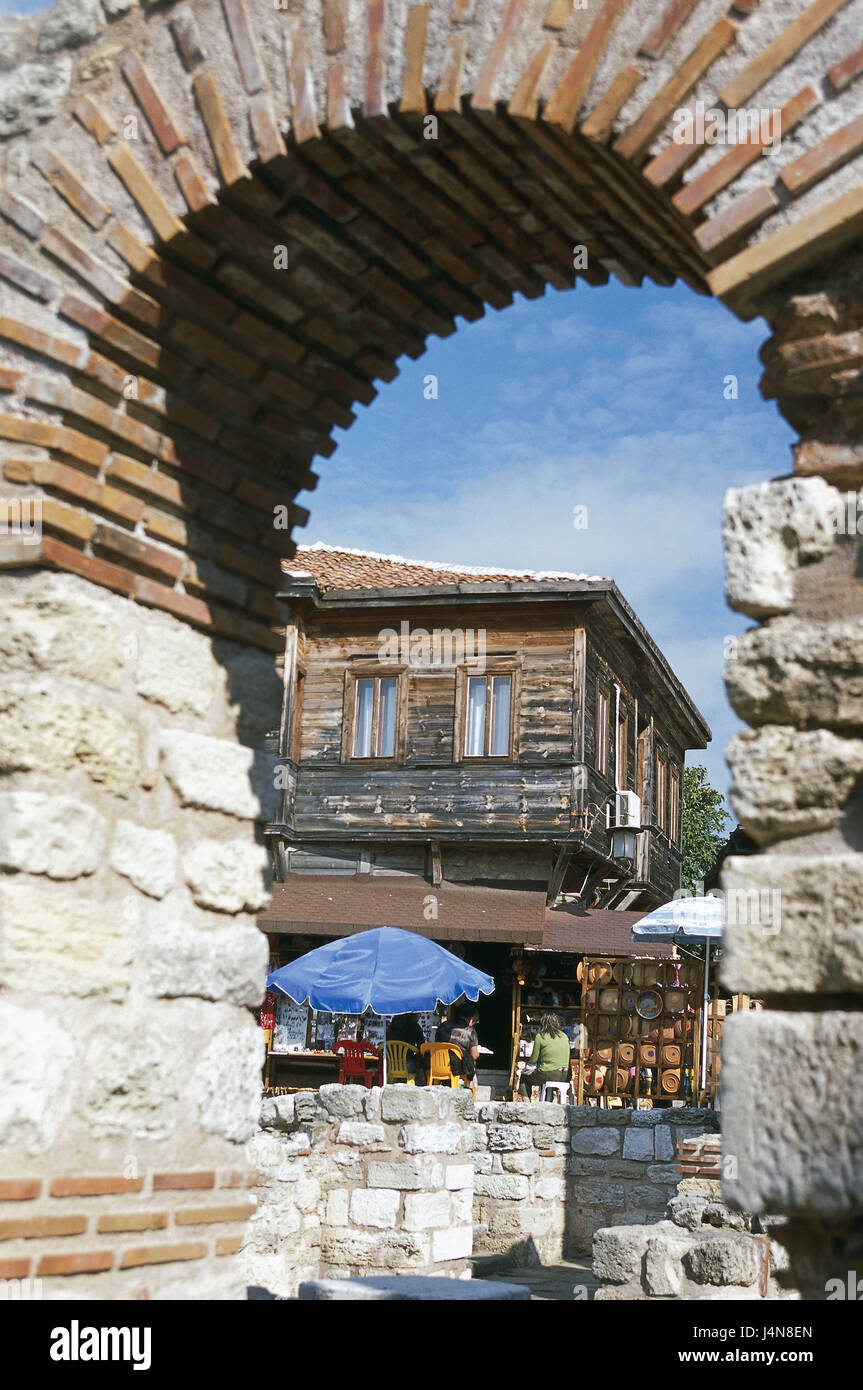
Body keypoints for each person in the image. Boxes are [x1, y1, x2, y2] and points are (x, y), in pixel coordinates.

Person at [518, 1012, 571, 1099]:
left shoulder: (540, 1036)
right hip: (565, 1076)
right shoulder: (565, 1036)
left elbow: (533, 1060)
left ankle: (527, 1104)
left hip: (549, 1075)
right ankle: (548, 1100)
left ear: (543, 1023)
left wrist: (526, 1068)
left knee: (524, 1077)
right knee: (544, 1074)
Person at [435, 1007, 480, 1085]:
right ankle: (467, 1089)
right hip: (456, 1068)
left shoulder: (443, 1025)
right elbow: (474, 1055)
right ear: (471, 1019)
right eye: (474, 1023)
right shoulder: (470, 1031)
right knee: (469, 1063)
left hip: (436, 1066)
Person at [388, 1013, 427, 1081]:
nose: (420, 1015)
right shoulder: (415, 1027)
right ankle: (421, 1082)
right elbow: (421, 1046)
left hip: (391, 1065)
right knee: (422, 1060)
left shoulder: (392, 1026)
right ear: (412, 1014)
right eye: (418, 1013)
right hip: (407, 1065)